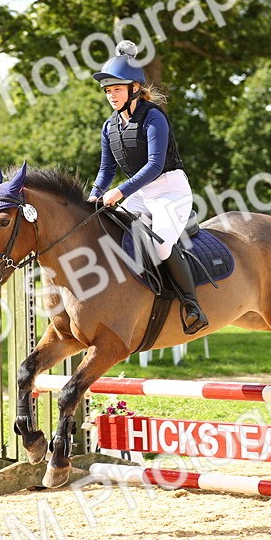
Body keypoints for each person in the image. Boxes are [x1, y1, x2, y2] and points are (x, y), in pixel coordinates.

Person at [88, 40, 208, 334]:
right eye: (107, 91)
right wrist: (92, 196)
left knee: (161, 245)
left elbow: (155, 165)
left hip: (170, 189)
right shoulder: (109, 127)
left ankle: (192, 305)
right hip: (140, 193)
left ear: (133, 89)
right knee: (110, 229)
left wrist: (119, 192)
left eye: (116, 89)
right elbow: (106, 170)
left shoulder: (153, 117)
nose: (111, 95)